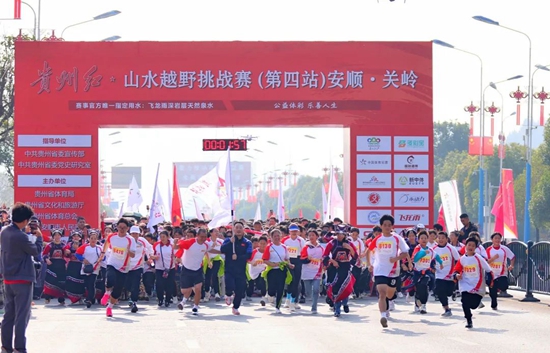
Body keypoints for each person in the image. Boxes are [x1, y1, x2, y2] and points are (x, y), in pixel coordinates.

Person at [1, 202, 38, 353]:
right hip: (22, 280)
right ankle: (20, 347)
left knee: (9, 314)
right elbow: (35, 251)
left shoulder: (4, 231)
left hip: (8, 279)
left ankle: (6, 347)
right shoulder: (21, 236)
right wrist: (38, 238)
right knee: (22, 316)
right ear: (24, 221)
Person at [367, 214, 409, 328]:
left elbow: (405, 252)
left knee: (389, 294)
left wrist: (396, 259)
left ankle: (389, 302)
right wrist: (369, 265)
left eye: (389, 225)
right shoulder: (378, 239)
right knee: (381, 293)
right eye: (384, 225)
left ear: (392, 226)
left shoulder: (397, 238)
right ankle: (383, 316)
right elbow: (368, 251)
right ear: (381, 226)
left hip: (393, 270)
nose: (387, 227)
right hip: (380, 269)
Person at [99, 218, 137, 318]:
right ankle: (106, 293)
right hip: (112, 262)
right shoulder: (112, 236)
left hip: (123, 267)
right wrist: (103, 253)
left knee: (117, 292)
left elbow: (133, 255)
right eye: (120, 227)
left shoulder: (130, 240)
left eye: (124, 228)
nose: (122, 229)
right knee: (110, 279)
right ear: (117, 227)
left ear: (127, 228)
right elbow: (107, 243)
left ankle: (109, 307)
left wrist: (129, 251)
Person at [453, 236, 493, 329]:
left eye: (473, 246)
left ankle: (477, 303)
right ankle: (469, 320)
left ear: (476, 248)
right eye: (469, 245)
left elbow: (488, 269)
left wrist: (490, 281)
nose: (470, 247)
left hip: (477, 285)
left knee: (474, 305)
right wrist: (457, 275)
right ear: (465, 246)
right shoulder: (462, 259)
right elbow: (456, 270)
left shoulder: (479, 258)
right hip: (465, 284)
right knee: (464, 301)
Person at [220, 222, 252, 316]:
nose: (238, 229)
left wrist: (238, 257)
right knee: (230, 285)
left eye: (240, 228)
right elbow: (222, 249)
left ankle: (236, 307)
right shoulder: (228, 240)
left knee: (240, 290)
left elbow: (249, 254)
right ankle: (228, 295)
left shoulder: (247, 242)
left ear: (243, 230)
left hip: (241, 270)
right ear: (233, 229)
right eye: (236, 227)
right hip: (229, 269)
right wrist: (230, 242)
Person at [323, 230, 357, 317]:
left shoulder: (349, 243)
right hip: (334, 266)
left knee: (345, 286)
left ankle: (345, 303)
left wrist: (350, 248)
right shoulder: (332, 243)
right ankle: (337, 309)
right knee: (335, 287)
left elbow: (355, 256)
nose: (340, 236)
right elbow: (325, 255)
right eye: (338, 234)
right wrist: (332, 261)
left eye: (342, 234)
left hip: (345, 266)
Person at [175, 228, 209, 315]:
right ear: (197, 236)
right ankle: (184, 301)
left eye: (205, 237)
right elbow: (177, 247)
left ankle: (195, 307)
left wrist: (223, 252)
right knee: (185, 290)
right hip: (186, 269)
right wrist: (175, 243)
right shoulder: (189, 242)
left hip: (197, 270)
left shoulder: (206, 244)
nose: (203, 238)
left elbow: (208, 251)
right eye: (201, 237)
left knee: (198, 289)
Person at [410, 231, 442, 314]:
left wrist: (441, 263)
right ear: (418, 240)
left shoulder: (430, 250)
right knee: (418, 289)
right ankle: (417, 304)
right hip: (417, 272)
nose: (424, 240)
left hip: (427, 272)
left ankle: (423, 305)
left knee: (424, 286)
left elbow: (437, 256)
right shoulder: (417, 248)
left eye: (425, 238)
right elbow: (415, 259)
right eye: (422, 238)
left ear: (428, 239)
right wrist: (423, 253)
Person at [262, 229, 291, 314]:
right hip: (272, 271)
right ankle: (270, 295)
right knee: (271, 289)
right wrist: (272, 264)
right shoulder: (269, 247)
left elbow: (287, 258)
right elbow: (264, 260)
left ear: (281, 236)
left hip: (281, 270)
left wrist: (290, 264)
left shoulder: (284, 247)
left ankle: (278, 307)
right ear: (271, 237)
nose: (277, 237)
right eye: (275, 236)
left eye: (278, 235)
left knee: (280, 289)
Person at [126, 225, 153, 313]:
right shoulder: (126, 240)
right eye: (133, 233)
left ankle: (134, 301)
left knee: (136, 284)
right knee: (128, 284)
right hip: (127, 266)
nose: (134, 235)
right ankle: (130, 295)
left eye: (136, 234)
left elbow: (149, 248)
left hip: (138, 266)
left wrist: (150, 257)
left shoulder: (142, 241)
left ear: (139, 234)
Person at [433, 231, 460, 316]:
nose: (441, 240)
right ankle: (447, 309)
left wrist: (457, 271)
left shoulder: (451, 248)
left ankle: (453, 292)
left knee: (448, 292)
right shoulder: (434, 249)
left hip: (450, 274)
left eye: (443, 238)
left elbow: (458, 260)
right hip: (439, 274)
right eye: (439, 238)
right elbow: (430, 260)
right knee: (440, 291)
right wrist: (432, 268)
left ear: (446, 239)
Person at [486, 232, 515, 310]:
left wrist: (511, 265)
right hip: (491, 273)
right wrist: (493, 259)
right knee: (492, 292)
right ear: (492, 239)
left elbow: (512, 257)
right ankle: (494, 305)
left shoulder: (504, 249)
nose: (497, 240)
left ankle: (497, 288)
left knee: (504, 286)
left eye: (499, 238)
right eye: (495, 238)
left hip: (502, 273)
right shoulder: (488, 250)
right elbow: (485, 261)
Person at [75, 230, 103, 308]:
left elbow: (104, 257)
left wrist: (100, 260)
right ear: (89, 239)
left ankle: (89, 299)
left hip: (95, 269)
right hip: (85, 268)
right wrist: (83, 259)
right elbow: (77, 254)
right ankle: (91, 297)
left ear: (97, 239)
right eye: (91, 238)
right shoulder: (85, 246)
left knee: (91, 284)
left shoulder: (100, 248)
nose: (93, 240)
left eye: (95, 238)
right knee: (87, 284)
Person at [281, 224, 306, 310]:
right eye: (292, 231)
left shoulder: (301, 240)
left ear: (298, 231)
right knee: (290, 280)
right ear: (289, 231)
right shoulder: (285, 240)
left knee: (296, 281)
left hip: (298, 260)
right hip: (288, 260)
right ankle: (287, 300)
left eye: (296, 231)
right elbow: (282, 250)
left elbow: (304, 251)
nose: (294, 232)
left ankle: (293, 301)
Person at [300, 230, 323, 313]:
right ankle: (310, 298)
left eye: (313, 235)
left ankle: (314, 307)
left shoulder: (321, 248)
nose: (311, 237)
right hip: (307, 271)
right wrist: (307, 258)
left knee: (316, 289)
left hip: (317, 271)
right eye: (309, 235)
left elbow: (326, 257)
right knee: (308, 292)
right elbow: (301, 259)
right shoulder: (306, 247)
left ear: (317, 236)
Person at [42, 230, 67, 305]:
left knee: (61, 282)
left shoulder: (64, 245)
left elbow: (67, 255)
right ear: (53, 237)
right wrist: (46, 259)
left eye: (58, 235)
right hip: (52, 264)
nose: (57, 237)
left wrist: (67, 253)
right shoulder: (49, 245)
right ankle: (47, 297)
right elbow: (44, 254)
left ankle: (61, 299)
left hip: (61, 265)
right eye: (55, 235)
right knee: (50, 280)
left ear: (61, 236)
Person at [152, 230, 175, 308]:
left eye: (164, 237)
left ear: (167, 237)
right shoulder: (156, 245)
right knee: (159, 284)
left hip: (170, 268)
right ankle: (160, 299)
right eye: (161, 237)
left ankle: (168, 300)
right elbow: (152, 254)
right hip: (159, 268)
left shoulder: (172, 245)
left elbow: (174, 256)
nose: (162, 238)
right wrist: (154, 257)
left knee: (169, 285)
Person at [64, 231, 85, 304]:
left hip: (79, 265)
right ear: (72, 237)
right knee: (71, 282)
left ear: (80, 238)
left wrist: (78, 249)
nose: (76, 237)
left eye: (77, 236)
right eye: (74, 236)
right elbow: (66, 254)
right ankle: (72, 299)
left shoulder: (83, 245)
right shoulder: (69, 245)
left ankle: (80, 298)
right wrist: (67, 252)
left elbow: (84, 255)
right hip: (72, 265)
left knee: (80, 282)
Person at [247, 236, 267, 304]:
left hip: (263, 270)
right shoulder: (254, 251)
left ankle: (263, 297)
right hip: (254, 270)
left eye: (264, 243)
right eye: (261, 243)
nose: (262, 245)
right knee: (251, 284)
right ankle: (248, 295)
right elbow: (248, 260)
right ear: (259, 243)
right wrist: (252, 263)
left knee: (262, 283)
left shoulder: (268, 251)